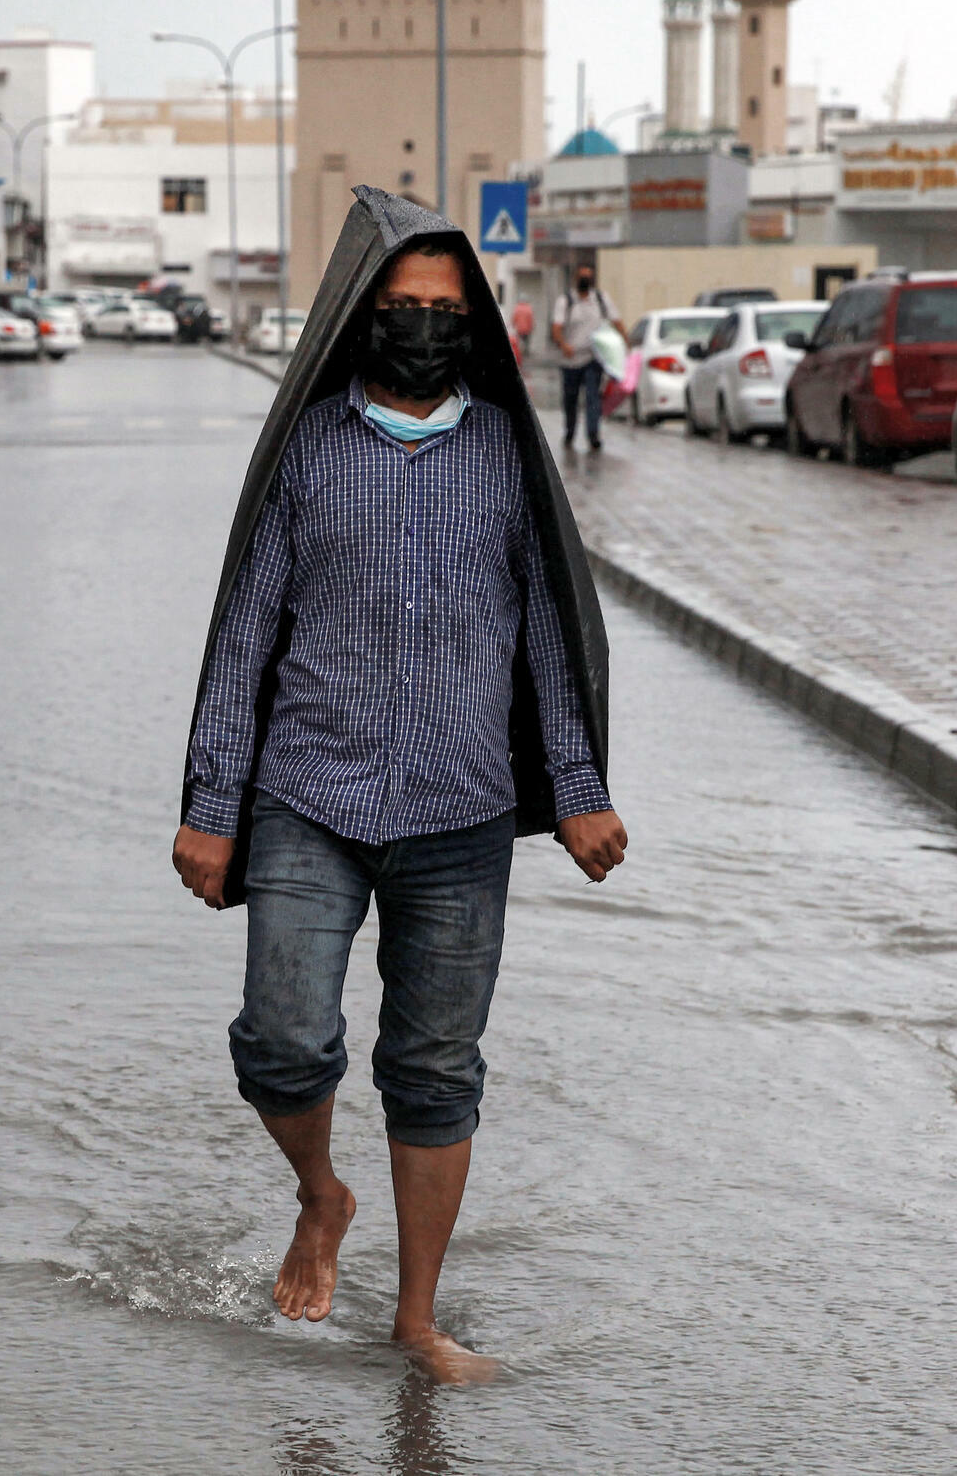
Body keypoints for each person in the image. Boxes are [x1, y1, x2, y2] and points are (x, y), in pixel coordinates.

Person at [173, 186, 629, 1384]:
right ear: (357, 319)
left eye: (440, 307)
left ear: (470, 320)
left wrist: (577, 786)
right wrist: (209, 805)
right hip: (306, 797)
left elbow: (545, 637)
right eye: (396, 307)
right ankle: (321, 1196)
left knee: (433, 1069)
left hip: (462, 811)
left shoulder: (502, 459)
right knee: (281, 1037)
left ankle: (415, 1320)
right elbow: (242, 638)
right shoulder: (308, 453)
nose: (420, 325)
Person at [548, 262, 615, 451]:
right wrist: (563, 344)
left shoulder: (600, 300)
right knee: (571, 398)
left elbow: (615, 321)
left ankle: (593, 434)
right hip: (570, 360)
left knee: (593, 396)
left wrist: (623, 344)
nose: (585, 280)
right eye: (582, 276)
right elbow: (556, 327)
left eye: (588, 276)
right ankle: (570, 430)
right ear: (576, 279)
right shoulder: (566, 301)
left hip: (593, 358)